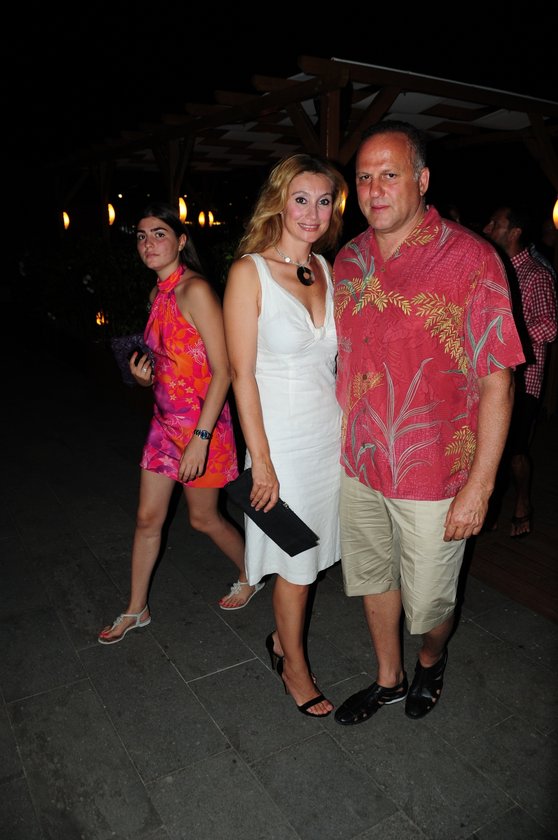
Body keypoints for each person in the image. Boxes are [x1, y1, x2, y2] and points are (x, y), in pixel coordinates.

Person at [332, 120, 525, 725]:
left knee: (430, 605)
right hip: (360, 461)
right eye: (365, 177)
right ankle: (388, 679)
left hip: (434, 473)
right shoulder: (347, 260)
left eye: (389, 174)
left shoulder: (471, 258)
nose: (374, 189)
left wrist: (481, 485)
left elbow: (498, 380)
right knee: (373, 579)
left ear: (421, 180)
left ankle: (431, 659)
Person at [98, 202, 263, 644]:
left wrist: (201, 439)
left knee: (203, 519)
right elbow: (173, 362)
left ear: (181, 240)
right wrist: (143, 377)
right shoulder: (158, 294)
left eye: (159, 234)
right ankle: (137, 608)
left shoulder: (196, 291)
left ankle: (251, 571)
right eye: (141, 236)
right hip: (164, 425)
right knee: (146, 518)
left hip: (202, 427)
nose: (148, 243)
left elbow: (223, 370)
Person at [223, 154, 348, 717]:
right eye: (301, 199)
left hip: (330, 438)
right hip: (282, 446)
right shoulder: (248, 272)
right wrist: (263, 462)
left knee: (315, 558)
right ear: (279, 200)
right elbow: (241, 375)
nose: (312, 212)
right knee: (296, 566)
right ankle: (292, 666)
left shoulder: (325, 267)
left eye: (324, 201)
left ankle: (282, 640)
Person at [483, 205, 558, 537]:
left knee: (514, 452)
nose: (487, 228)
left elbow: (550, 325)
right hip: (491, 377)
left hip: (524, 380)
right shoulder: (494, 267)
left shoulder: (536, 273)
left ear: (514, 232)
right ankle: (491, 507)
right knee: (490, 445)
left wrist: (507, 340)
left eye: (495, 224)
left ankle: (523, 501)